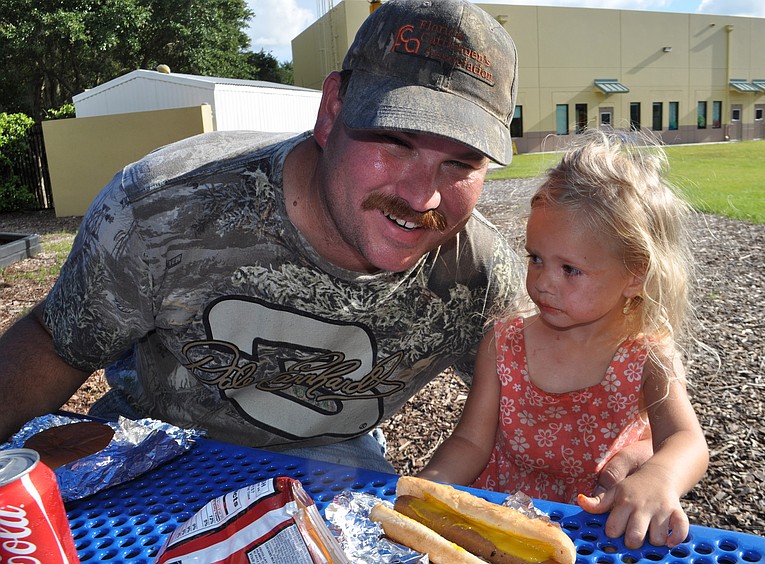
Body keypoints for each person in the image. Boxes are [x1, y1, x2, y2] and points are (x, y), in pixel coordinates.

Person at [0, 0, 649, 482]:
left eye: (460, 163)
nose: (422, 197)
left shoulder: (477, 275)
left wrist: (630, 452)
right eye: (395, 140)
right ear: (332, 109)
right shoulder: (167, 205)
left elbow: (559, 382)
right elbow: (58, 341)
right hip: (152, 444)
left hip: (327, 463)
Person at [418, 128, 710, 549]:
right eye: (536, 259)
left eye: (569, 269)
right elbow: (470, 441)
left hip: (592, 530)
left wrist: (659, 477)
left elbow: (687, 441)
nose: (543, 284)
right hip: (500, 517)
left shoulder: (646, 356)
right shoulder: (504, 344)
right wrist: (432, 485)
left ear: (636, 274)